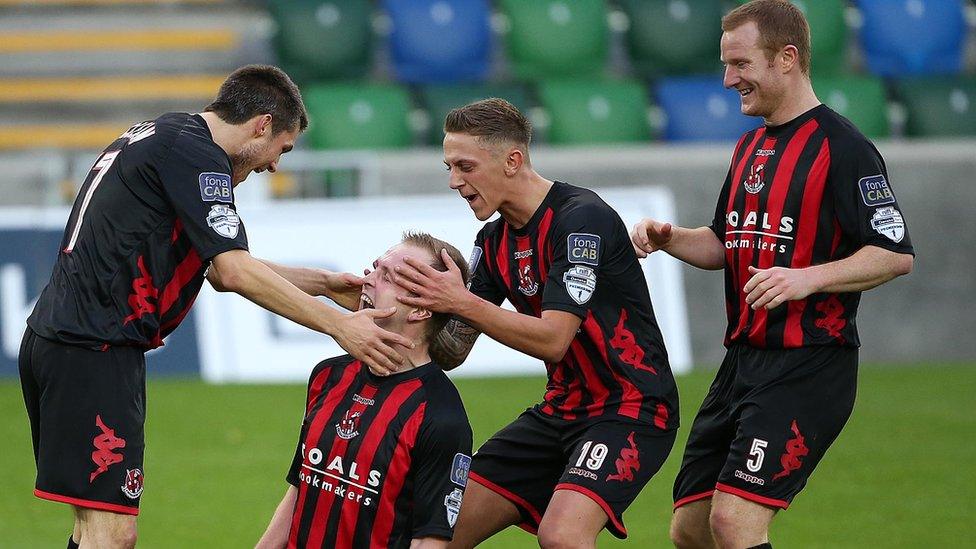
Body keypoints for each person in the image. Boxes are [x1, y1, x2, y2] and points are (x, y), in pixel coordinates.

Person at [18, 64, 414, 549]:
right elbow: (232, 270)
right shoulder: (198, 157)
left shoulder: (168, 135)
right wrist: (340, 326)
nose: (274, 165)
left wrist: (324, 284)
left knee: (91, 528)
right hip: (94, 349)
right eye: (281, 149)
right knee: (113, 534)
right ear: (262, 125)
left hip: (63, 341)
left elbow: (216, 266)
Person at [629, 2, 915, 547]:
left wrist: (805, 278)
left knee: (734, 522)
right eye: (726, 64)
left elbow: (895, 252)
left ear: (786, 58)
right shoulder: (750, 147)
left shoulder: (844, 148)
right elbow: (724, 243)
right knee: (690, 529)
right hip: (741, 363)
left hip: (809, 364)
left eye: (740, 63)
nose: (728, 78)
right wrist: (671, 239)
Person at [390, 98, 679, 548]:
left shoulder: (581, 218)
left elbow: (554, 339)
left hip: (630, 407)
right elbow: (451, 350)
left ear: (512, 160)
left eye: (464, 166)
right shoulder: (492, 241)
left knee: (562, 536)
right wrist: (394, 305)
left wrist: (461, 301)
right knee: (433, 534)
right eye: (448, 167)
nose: (454, 181)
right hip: (559, 411)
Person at [255, 232, 474, 549]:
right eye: (374, 268)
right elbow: (301, 487)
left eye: (387, 277)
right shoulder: (329, 375)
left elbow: (430, 538)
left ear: (419, 310)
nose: (367, 279)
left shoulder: (441, 416)